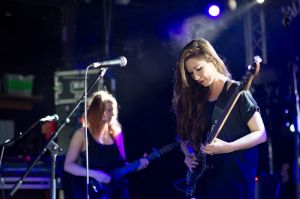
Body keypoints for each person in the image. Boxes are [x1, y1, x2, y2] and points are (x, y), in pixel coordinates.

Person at [172, 38, 267, 199]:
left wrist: (229, 147)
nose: (196, 77)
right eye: (191, 73)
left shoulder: (237, 92)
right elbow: (184, 136)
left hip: (235, 183)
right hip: (207, 183)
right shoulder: (196, 96)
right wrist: (188, 155)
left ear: (211, 59)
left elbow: (261, 133)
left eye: (198, 69)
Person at [64, 90, 149, 199]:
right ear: (97, 111)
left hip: (120, 191)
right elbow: (68, 165)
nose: (113, 114)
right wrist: (95, 174)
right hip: (96, 192)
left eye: (113, 110)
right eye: (109, 110)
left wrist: (137, 166)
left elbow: (122, 164)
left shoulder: (116, 132)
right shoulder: (81, 134)